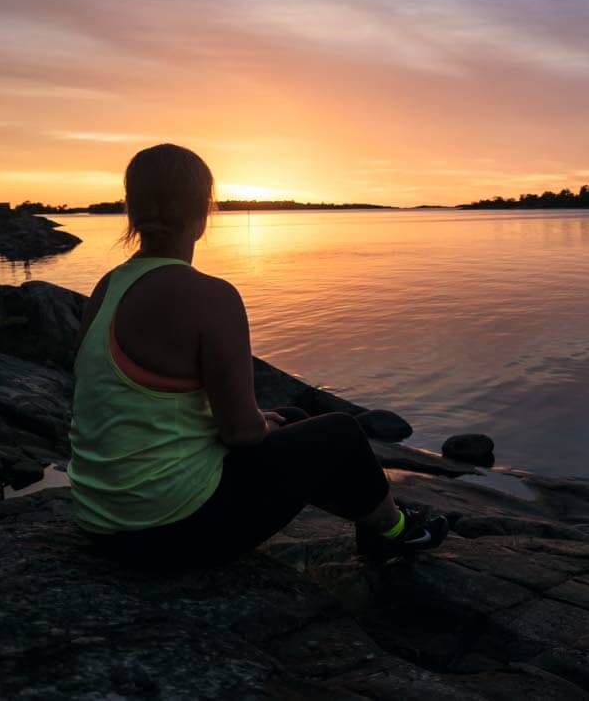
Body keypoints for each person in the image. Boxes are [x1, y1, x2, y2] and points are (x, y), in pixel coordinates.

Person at [67, 143, 447, 569]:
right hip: (168, 533)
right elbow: (240, 434)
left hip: (98, 520)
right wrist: (255, 423)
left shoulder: (107, 288)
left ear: (132, 210)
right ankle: (397, 529)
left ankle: (372, 525)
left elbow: (139, 404)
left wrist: (261, 419)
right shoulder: (211, 296)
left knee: (290, 419)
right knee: (338, 432)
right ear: (202, 213)